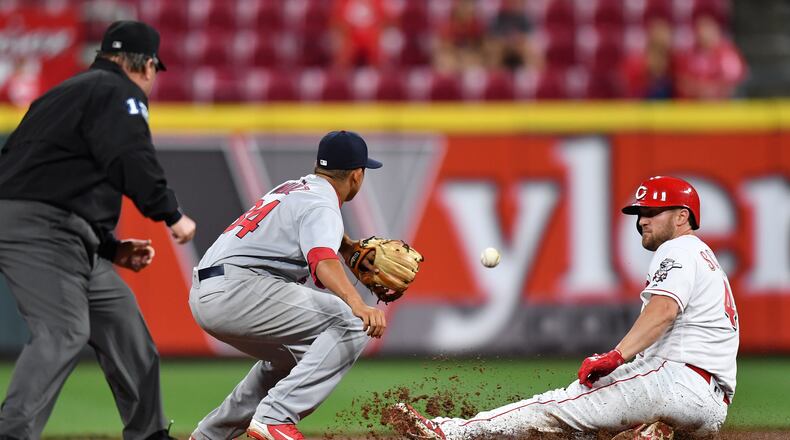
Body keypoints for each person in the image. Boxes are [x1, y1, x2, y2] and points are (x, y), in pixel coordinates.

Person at [395, 176, 738, 439]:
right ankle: (653, 431)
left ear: (682, 217)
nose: (642, 220)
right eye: (640, 212)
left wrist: (616, 356)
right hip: (712, 406)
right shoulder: (706, 259)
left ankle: (450, 431)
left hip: (674, 382)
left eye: (652, 212)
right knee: (591, 427)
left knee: (558, 406)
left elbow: (663, 311)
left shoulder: (677, 249)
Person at [0, 21, 196, 440]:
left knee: (124, 326)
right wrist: (171, 213)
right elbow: (128, 155)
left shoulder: (62, 95)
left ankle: (149, 434)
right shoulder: (117, 92)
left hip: (66, 233)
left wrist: (107, 246)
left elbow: (49, 172)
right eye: (153, 72)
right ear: (144, 66)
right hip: (40, 229)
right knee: (64, 331)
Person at [189, 130, 387, 440]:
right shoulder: (323, 205)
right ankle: (275, 418)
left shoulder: (295, 188)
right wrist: (357, 303)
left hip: (210, 290)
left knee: (290, 356)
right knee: (349, 322)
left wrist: (345, 245)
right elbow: (322, 262)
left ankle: (209, 436)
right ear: (357, 175)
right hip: (238, 289)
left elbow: (305, 228)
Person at [675, 13, 746, 99]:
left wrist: (714, 90)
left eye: (708, 28)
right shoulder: (686, 54)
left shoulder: (728, 55)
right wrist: (701, 90)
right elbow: (681, 82)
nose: (703, 32)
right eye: (700, 28)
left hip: (721, 106)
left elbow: (735, 84)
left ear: (716, 30)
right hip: (692, 106)